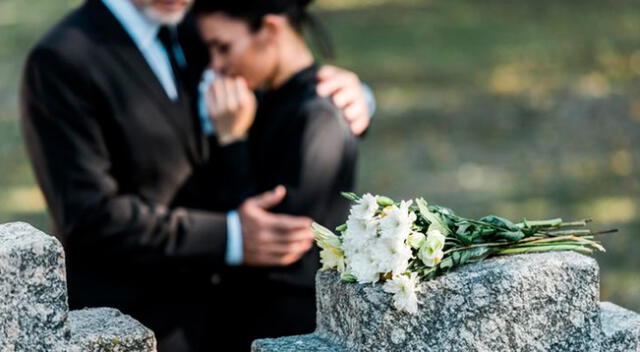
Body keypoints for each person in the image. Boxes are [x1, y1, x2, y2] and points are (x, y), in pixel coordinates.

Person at [19, 0, 372, 350]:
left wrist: (348, 99)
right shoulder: (62, 58)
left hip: (226, 320)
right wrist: (230, 237)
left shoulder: (196, 24)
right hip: (134, 322)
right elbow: (87, 215)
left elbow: (272, 90)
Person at [192, 0, 357, 349]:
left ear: (269, 30)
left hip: (284, 330)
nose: (217, 65)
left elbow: (280, 249)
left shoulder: (318, 116)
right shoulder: (261, 99)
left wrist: (231, 141)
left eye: (223, 47)